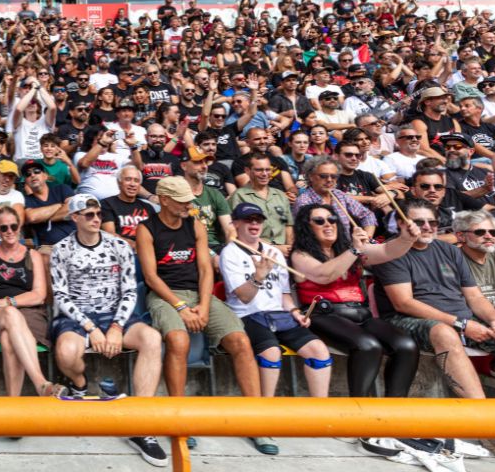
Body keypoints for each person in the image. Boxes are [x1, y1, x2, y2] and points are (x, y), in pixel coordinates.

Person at [373, 198, 495, 463]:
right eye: (418, 222)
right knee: (444, 332)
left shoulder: (448, 250)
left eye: (432, 222)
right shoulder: (390, 251)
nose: (426, 227)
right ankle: (485, 425)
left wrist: (494, 320)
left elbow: (474, 297)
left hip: (462, 318)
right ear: (402, 224)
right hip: (407, 320)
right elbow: (404, 303)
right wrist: (461, 324)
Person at [138, 177, 264, 454]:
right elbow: (151, 277)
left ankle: (256, 420)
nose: (188, 205)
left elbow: (206, 269)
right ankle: (178, 417)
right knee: (178, 340)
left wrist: (204, 306)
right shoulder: (147, 229)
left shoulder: (194, 224)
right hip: (165, 295)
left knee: (241, 341)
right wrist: (181, 308)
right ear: (164, 200)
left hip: (198, 293)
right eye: (182, 201)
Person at [52, 194, 167, 467]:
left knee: (152, 338)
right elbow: (60, 295)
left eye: (98, 214)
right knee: (66, 352)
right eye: (89, 214)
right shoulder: (61, 249)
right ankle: (80, 386)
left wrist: (116, 326)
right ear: (75, 218)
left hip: (115, 314)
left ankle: (142, 426)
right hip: (78, 317)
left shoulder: (119, 245)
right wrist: (90, 327)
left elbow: (129, 290)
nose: (96, 219)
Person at [220, 202, 334, 433]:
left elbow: (284, 295)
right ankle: (265, 414)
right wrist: (258, 276)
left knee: (319, 351)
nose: (254, 224)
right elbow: (244, 297)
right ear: (236, 224)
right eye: (248, 220)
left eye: (258, 220)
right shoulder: (230, 253)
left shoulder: (273, 252)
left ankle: (321, 414)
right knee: (271, 352)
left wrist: (295, 312)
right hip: (247, 315)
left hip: (279, 315)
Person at [290, 203, 420, 397]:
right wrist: (354, 250)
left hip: (360, 314)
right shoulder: (300, 255)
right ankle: (360, 404)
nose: (328, 224)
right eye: (319, 221)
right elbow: (324, 275)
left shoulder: (350, 250)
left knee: (406, 346)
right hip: (324, 315)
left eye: (332, 219)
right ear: (306, 226)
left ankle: (395, 405)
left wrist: (406, 238)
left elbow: (387, 251)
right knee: (368, 346)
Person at [0, 207, 60, 400]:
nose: (9, 231)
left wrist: (7, 302)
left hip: (30, 314)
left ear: (19, 227)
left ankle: (13, 403)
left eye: (13, 226)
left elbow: (39, 295)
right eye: (4, 227)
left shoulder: (33, 255)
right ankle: (41, 383)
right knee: (10, 314)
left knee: (8, 338)